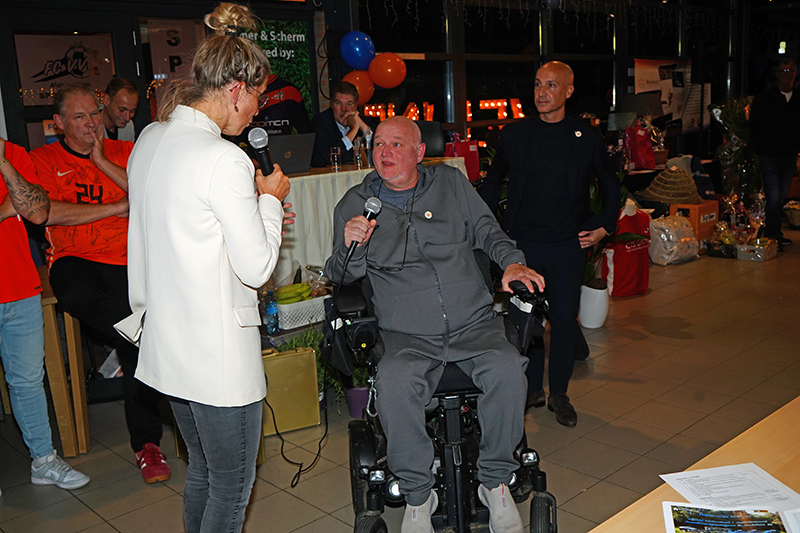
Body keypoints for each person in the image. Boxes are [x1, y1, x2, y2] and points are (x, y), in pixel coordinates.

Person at [325, 116, 544, 533]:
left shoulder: (450, 184)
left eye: (396, 144)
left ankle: (494, 483)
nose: (385, 152)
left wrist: (512, 261)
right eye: (378, 145)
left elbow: (485, 228)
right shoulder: (355, 204)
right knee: (394, 383)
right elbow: (341, 276)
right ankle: (418, 495)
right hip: (405, 333)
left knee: (507, 369)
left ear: (420, 152)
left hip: (472, 321)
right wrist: (353, 244)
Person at [119, 3, 291, 532]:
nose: (255, 113)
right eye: (257, 97)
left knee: (204, 475)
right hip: (216, 359)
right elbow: (258, 267)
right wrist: (269, 201)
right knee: (232, 486)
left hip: (167, 346)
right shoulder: (224, 158)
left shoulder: (149, 140)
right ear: (236, 87)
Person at [29, 85, 170, 484]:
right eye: (79, 117)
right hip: (76, 261)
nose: (91, 122)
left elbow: (151, 197)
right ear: (57, 124)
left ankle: (147, 443)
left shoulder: (125, 153)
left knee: (131, 336)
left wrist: (102, 161)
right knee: (101, 308)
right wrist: (116, 207)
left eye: (94, 113)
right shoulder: (42, 160)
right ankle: (146, 335)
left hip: (130, 260)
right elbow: (47, 215)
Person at [480, 61, 620, 428]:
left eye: (552, 86)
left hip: (566, 244)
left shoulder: (586, 137)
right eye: (538, 85)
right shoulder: (514, 135)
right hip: (522, 246)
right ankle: (530, 390)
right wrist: (489, 227)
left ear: (568, 92)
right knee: (525, 322)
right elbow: (493, 182)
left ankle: (559, 392)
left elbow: (609, 183)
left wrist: (605, 226)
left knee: (562, 320)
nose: (542, 93)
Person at [0, 138, 90, 491]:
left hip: (19, 286)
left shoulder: (13, 153)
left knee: (27, 381)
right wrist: (6, 207)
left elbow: (37, 211)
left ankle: (44, 460)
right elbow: (17, 205)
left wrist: (5, 165)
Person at [749, 57, 800, 251]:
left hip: (789, 155)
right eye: (783, 71)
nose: (787, 75)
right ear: (777, 74)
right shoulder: (765, 99)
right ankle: (772, 235)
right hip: (769, 155)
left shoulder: (797, 99)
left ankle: (774, 233)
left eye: (791, 71)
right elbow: (754, 126)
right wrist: (761, 148)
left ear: (795, 73)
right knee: (774, 196)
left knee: (781, 196)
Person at [310, 81, 373, 167]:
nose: (344, 109)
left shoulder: (364, 121)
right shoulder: (320, 122)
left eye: (349, 104)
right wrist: (353, 129)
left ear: (355, 106)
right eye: (338, 103)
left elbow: (376, 154)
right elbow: (330, 157)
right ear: (332, 104)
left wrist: (363, 126)